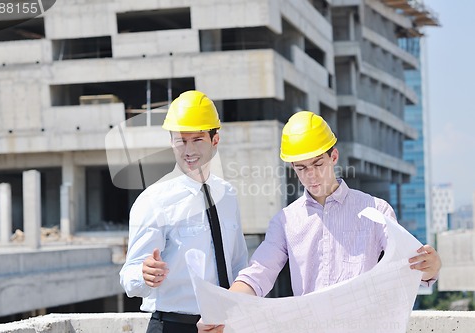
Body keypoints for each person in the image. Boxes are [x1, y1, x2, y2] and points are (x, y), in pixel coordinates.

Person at [198, 111, 442, 332]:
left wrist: (430, 267)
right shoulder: (285, 221)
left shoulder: (376, 210)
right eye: (301, 168)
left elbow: (406, 264)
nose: (311, 175)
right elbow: (258, 275)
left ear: (333, 156)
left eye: (317, 164)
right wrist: (223, 311)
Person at [119, 90, 248, 333]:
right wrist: (144, 275)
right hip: (173, 325)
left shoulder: (228, 195)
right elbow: (129, 277)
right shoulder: (153, 201)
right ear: (171, 141)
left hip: (224, 324)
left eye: (197, 139)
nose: (188, 150)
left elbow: (239, 262)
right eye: (181, 140)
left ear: (215, 140)